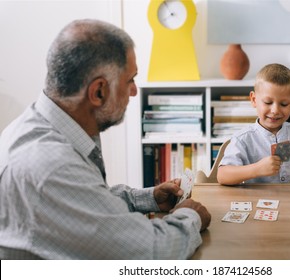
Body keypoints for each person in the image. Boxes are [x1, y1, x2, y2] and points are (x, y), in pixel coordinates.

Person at [0, 19, 211, 260]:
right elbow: (150, 253)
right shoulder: (52, 166)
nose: (134, 91)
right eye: (130, 80)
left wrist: (148, 198)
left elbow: (84, 203)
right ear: (99, 91)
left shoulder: (38, 125)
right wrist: (189, 215)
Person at [217, 63, 290, 185]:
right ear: (254, 100)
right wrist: (257, 169)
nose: (275, 110)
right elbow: (222, 176)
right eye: (268, 102)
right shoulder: (243, 139)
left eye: (284, 104)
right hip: (260, 202)